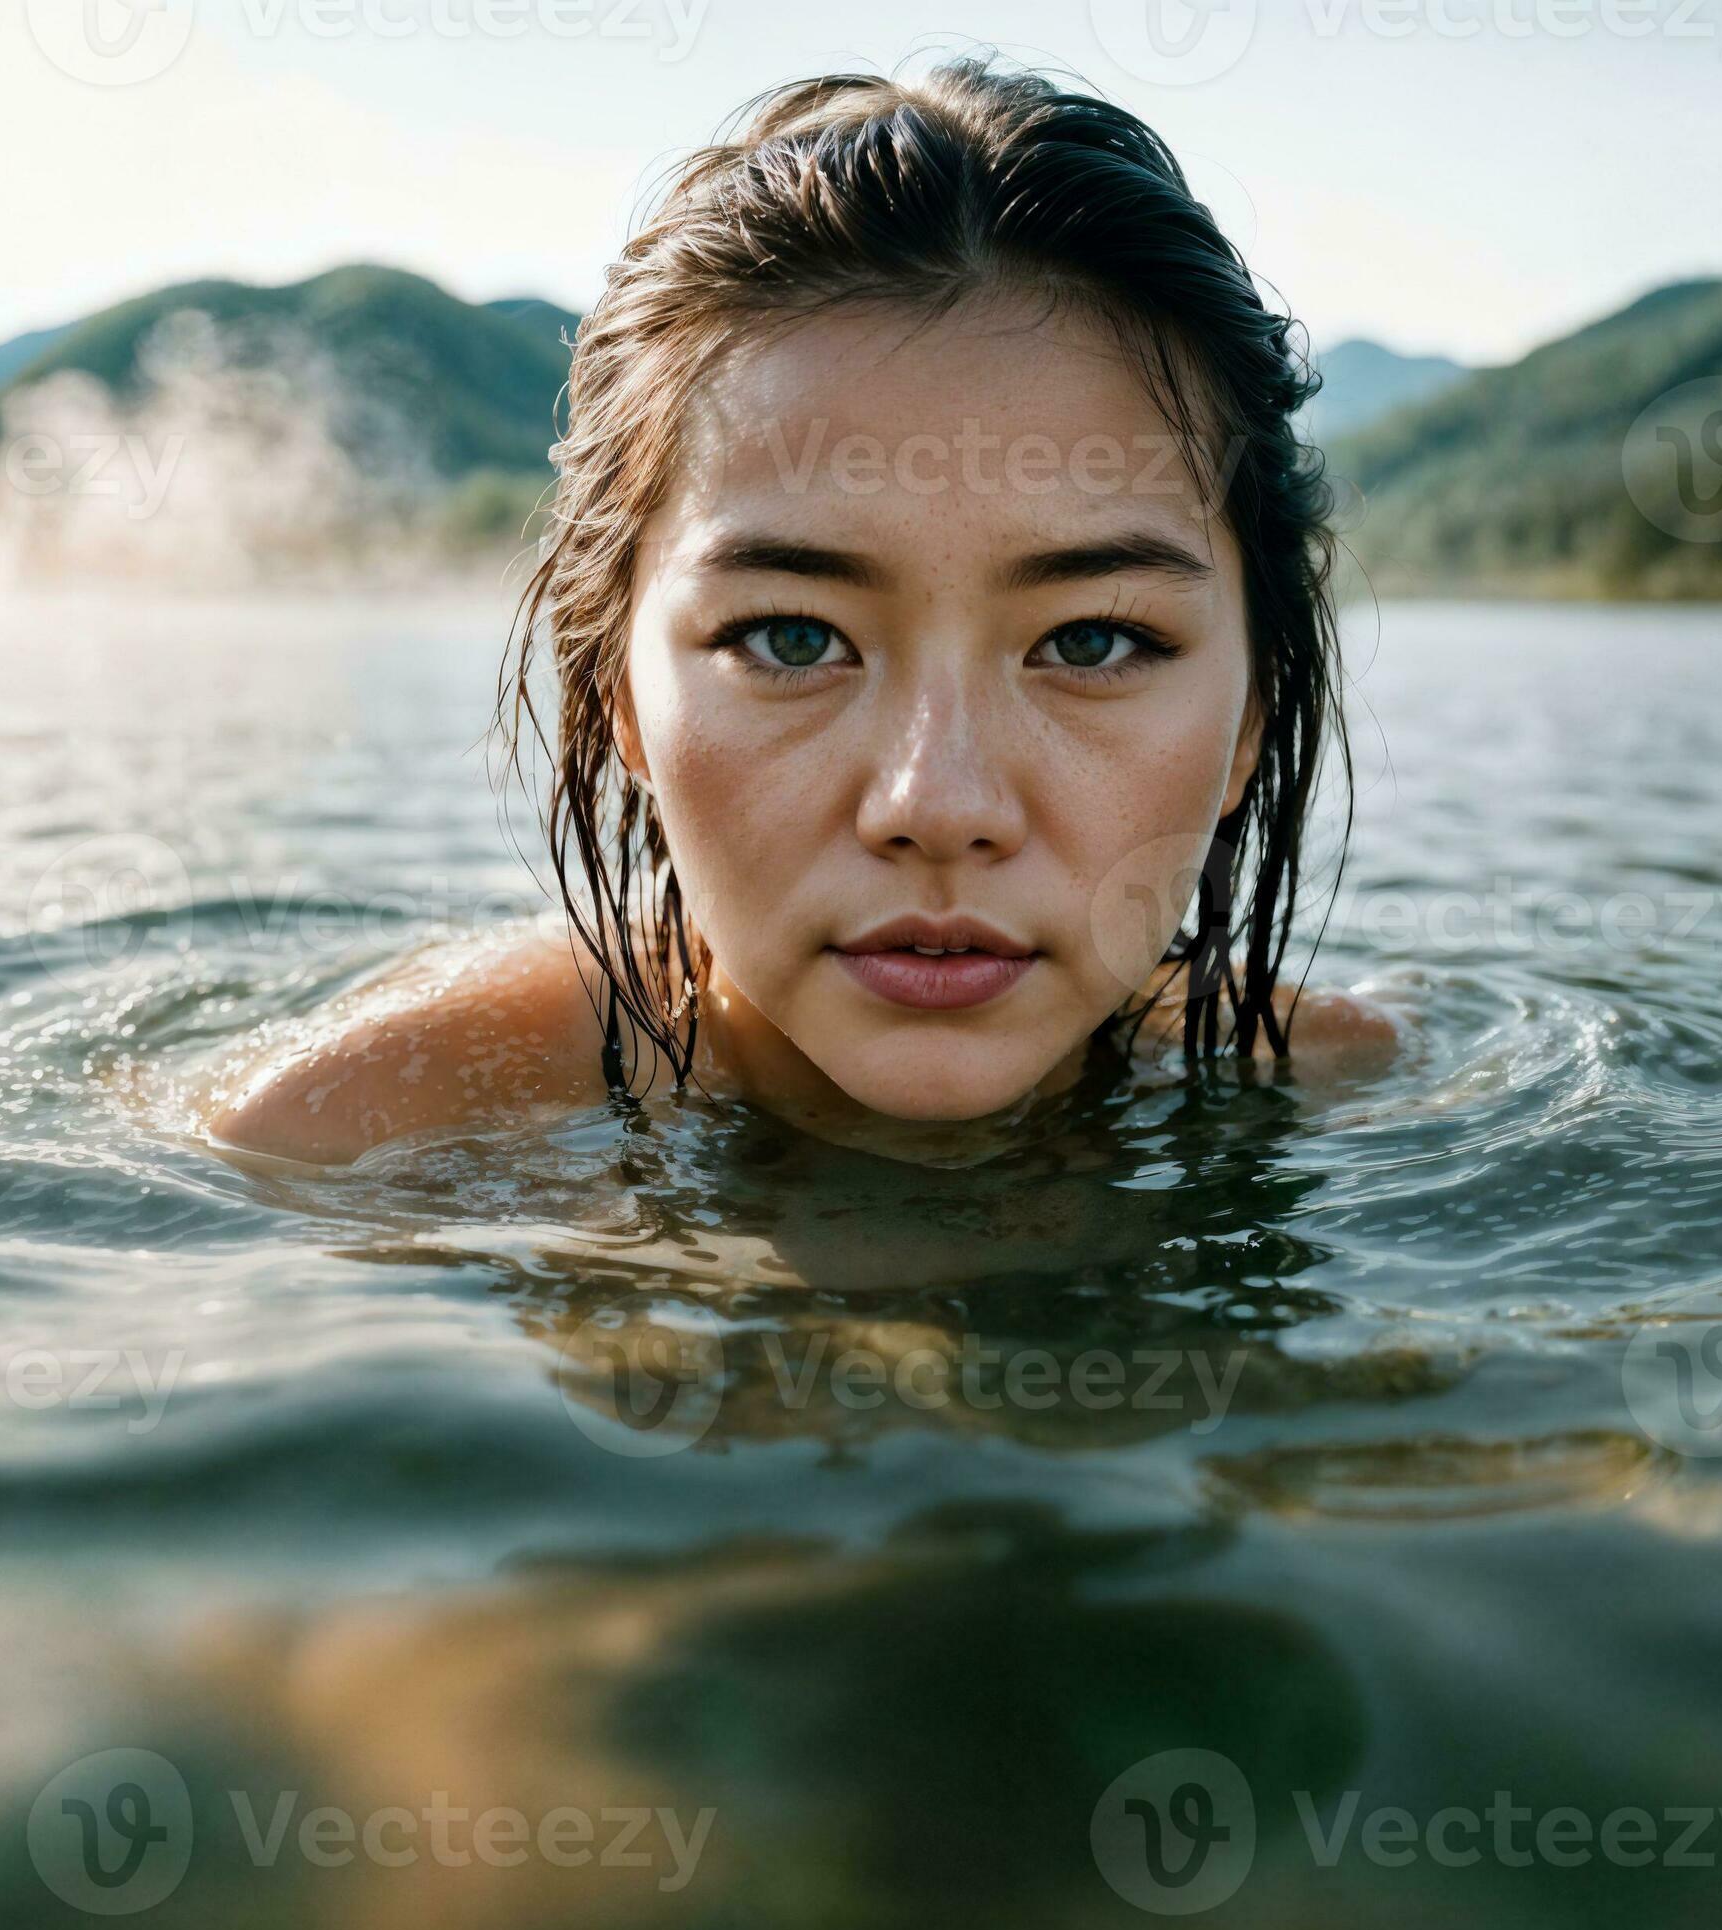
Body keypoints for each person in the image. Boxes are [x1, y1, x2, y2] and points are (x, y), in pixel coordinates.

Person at [212, 57, 1397, 1166]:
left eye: (1093, 641)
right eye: (792, 638)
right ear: (617, 691)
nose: (937, 809)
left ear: (1249, 719)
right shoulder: (341, 1138)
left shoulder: (1351, 1085)